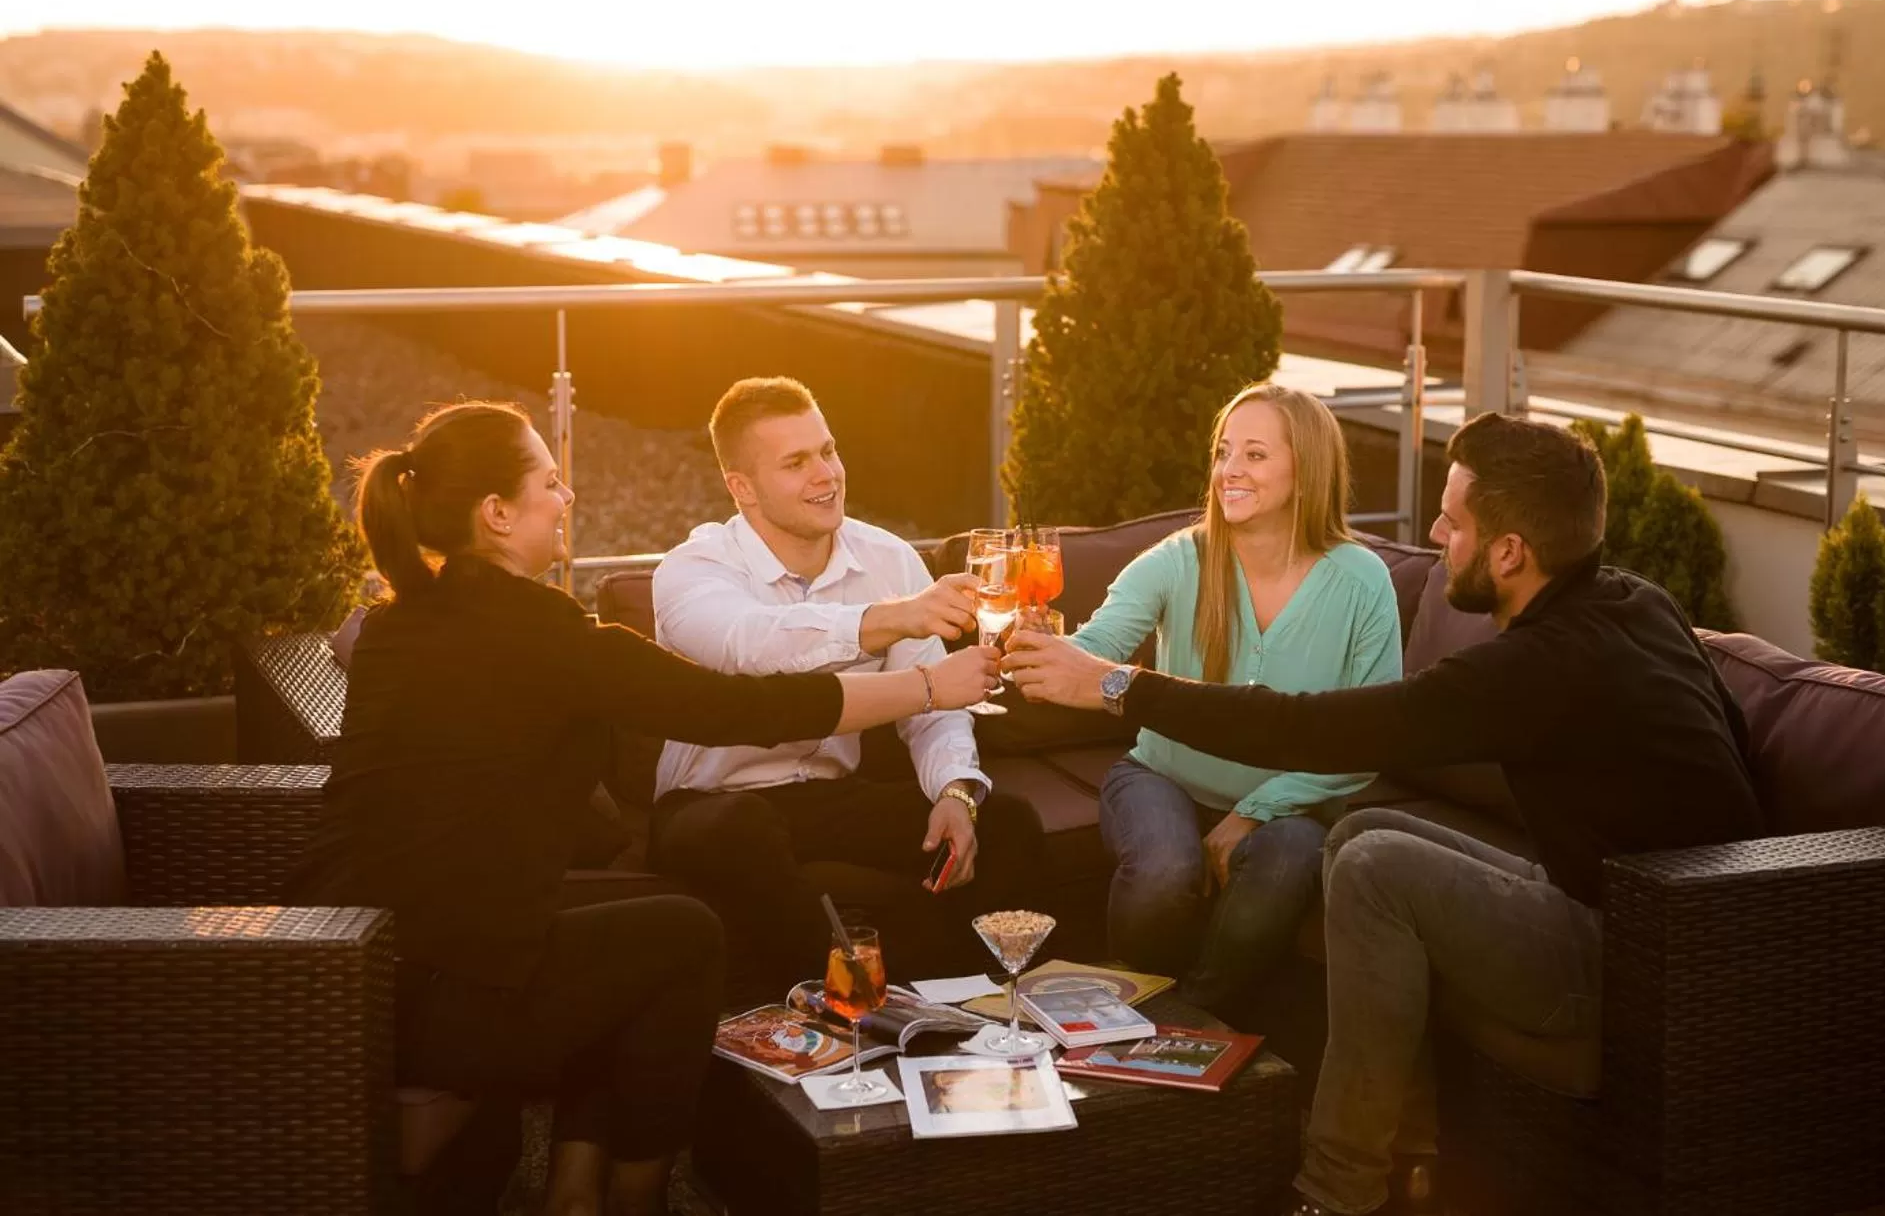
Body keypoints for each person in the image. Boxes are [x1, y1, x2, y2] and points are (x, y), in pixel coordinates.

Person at [1006, 412, 1765, 1216]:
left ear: (1511, 552)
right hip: (1662, 914)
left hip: (1643, 965)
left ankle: (1338, 1192)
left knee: (1371, 864)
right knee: (1365, 833)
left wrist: (1122, 685)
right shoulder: (1639, 602)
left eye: (1455, 521)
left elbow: (1318, 728)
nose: (1436, 533)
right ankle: (1413, 1147)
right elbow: (1736, 743)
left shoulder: (1534, 668)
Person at [287, 401, 998, 1216]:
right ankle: (635, 1192)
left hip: (341, 969)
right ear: (496, 513)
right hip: (443, 993)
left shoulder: (391, 624)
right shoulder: (545, 635)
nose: (568, 496)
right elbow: (737, 707)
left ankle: (579, 1185)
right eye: (550, 482)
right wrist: (931, 684)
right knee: (686, 935)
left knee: (624, 936)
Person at [645, 377, 1044, 984]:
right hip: (713, 803)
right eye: (796, 462)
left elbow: (934, 704)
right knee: (736, 832)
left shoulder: (887, 558)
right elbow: (753, 647)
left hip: (829, 797)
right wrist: (893, 617)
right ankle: (843, 1006)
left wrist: (956, 791)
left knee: (1008, 820)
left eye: (828, 450)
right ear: (741, 487)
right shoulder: (691, 570)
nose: (826, 474)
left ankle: (971, 1009)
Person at [1063, 382, 1400, 1019]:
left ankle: (1196, 1021)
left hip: (1292, 808)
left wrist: (1253, 811)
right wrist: (1030, 639)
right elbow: (1094, 648)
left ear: (1307, 470)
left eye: (1254, 455)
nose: (1229, 471)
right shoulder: (1178, 559)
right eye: (1223, 452)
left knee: (1292, 856)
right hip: (1159, 777)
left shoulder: (1363, 582)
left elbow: (1370, 734)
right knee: (1166, 869)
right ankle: (1123, 1018)